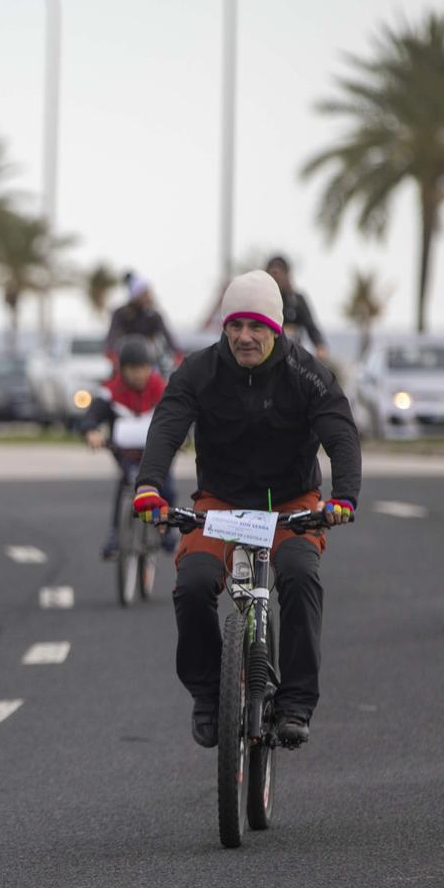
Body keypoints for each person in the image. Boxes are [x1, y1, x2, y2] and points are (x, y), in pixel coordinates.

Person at [133, 271, 361, 750]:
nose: (244, 337)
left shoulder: (306, 373)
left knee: (300, 576)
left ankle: (296, 703)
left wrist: (343, 497)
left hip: (291, 503)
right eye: (235, 325)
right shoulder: (199, 370)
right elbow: (168, 423)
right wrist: (150, 486)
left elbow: (340, 432)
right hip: (221, 503)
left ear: (275, 329)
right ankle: (207, 693)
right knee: (193, 583)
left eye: (256, 327)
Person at [82, 336, 176, 559]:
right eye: (132, 369)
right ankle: (117, 534)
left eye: (143, 368)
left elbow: (178, 417)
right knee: (126, 486)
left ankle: (165, 528)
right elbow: (92, 416)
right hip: (125, 454)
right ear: (122, 369)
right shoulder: (111, 393)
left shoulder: (163, 390)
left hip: (156, 455)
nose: (138, 374)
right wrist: (91, 431)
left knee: (167, 489)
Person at [104, 273, 180, 364]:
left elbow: (167, 336)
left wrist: (177, 352)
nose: (148, 296)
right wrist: (110, 351)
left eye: (148, 293)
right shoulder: (121, 314)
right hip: (126, 359)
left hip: (150, 360)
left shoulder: (154, 316)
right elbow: (113, 334)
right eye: (144, 293)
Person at [265, 255, 330, 361]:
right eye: (272, 271)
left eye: (280, 271)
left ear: (287, 275)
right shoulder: (260, 300)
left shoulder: (296, 300)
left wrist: (320, 345)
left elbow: (311, 326)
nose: (275, 275)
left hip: (292, 355)